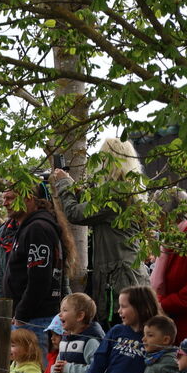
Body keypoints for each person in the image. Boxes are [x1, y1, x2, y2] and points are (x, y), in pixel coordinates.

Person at [51, 138, 149, 326]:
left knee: (118, 332)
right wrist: (73, 187)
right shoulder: (128, 190)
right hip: (129, 275)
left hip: (119, 281)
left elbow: (76, 213)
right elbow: (94, 209)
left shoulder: (115, 193)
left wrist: (63, 185)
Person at [3, 180, 73, 360]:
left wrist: (21, 315)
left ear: (28, 198)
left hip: (35, 320)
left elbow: (39, 279)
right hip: (30, 318)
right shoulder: (29, 227)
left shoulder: (37, 228)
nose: (5, 203)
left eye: (10, 198)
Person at [151, 189, 187, 337]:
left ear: (169, 215)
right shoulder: (174, 237)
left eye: (158, 215)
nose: (155, 221)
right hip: (178, 324)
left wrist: (164, 304)